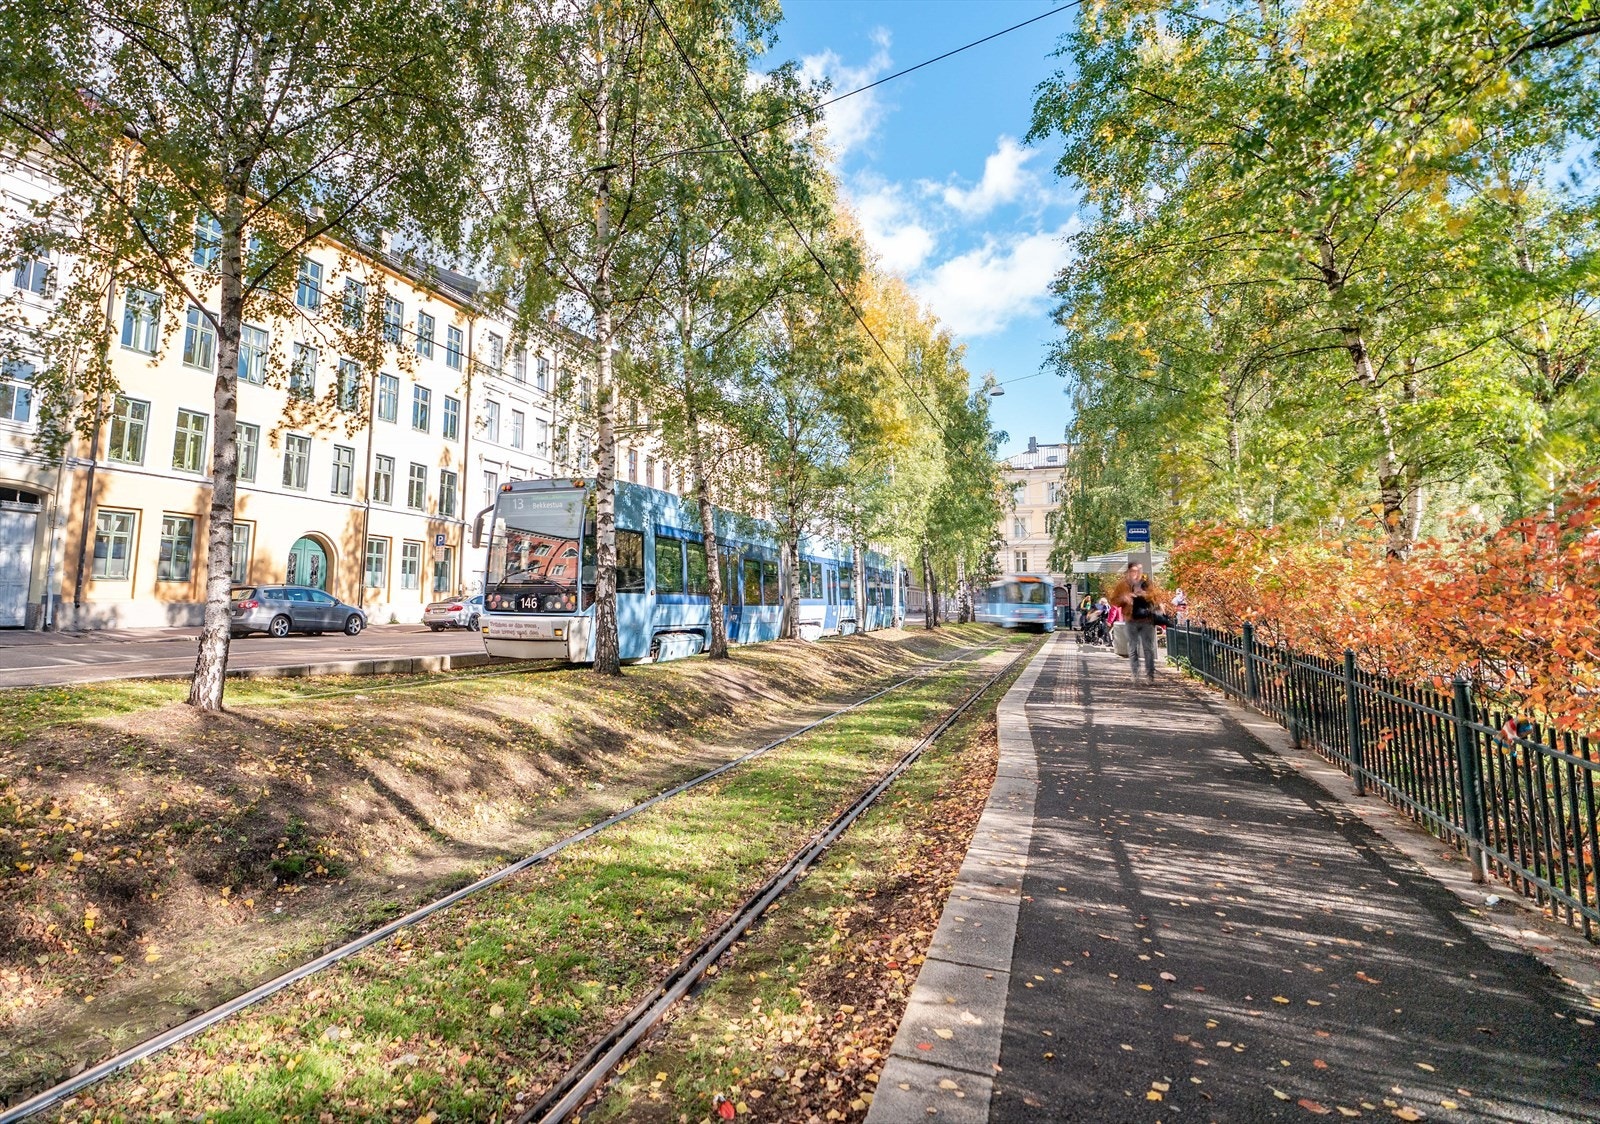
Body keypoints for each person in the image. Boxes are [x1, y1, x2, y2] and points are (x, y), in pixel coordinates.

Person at [1111, 561, 1167, 682]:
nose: (1137, 573)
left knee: (1148, 648)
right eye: (1134, 571)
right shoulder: (1123, 585)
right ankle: (1135, 673)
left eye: (1139, 571)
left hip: (1147, 619)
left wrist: (1144, 594)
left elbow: (1156, 597)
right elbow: (1114, 600)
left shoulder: (1147, 584)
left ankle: (1150, 675)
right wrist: (1125, 598)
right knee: (1132, 647)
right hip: (1131, 619)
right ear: (1129, 572)